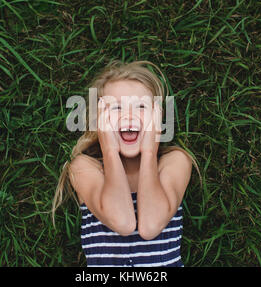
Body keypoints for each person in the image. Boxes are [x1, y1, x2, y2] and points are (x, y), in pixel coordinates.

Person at [53, 60, 198, 267]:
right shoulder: (85, 167)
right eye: (116, 108)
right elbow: (123, 223)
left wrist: (150, 151)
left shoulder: (175, 161)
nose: (128, 115)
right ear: (99, 120)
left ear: (158, 118)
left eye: (141, 107)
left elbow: (150, 227)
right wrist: (109, 150)